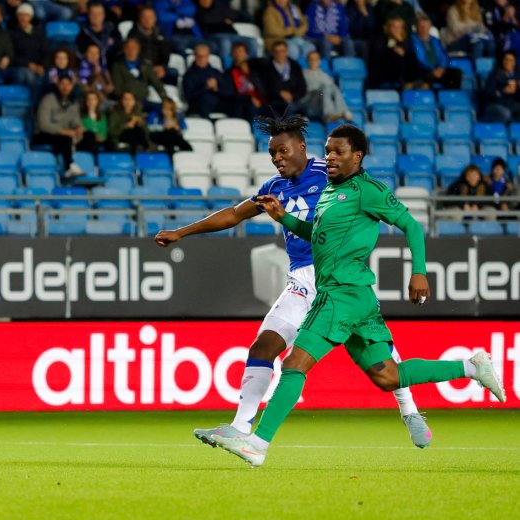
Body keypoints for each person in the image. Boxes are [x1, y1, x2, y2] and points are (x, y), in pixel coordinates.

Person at [211, 124, 508, 466]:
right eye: (328, 151)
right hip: (356, 300)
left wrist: (419, 272)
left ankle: (257, 444)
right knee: (387, 376)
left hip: (341, 295)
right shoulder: (330, 191)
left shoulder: (368, 190)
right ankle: (471, 366)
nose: (330, 157)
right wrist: (285, 219)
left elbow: (410, 225)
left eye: (338, 152)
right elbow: (316, 233)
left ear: (358, 156)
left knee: (294, 365)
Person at [154, 116, 435, 451]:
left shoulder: (331, 172)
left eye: (282, 151)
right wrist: (182, 232)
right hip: (300, 282)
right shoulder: (275, 187)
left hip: (339, 279)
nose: (277, 159)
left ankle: (410, 411)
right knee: (263, 347)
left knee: (382, 358)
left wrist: (417, 267)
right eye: (272, 154)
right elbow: (234, 214)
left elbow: (374, 205)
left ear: (302, 147)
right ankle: (239, 428)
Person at [33, 74, 85, 177]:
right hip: (44, 134)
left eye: (68, 84)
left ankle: (92, 168)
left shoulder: (74, 102)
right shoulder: (48, 99)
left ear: (72, 86)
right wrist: (65, 131)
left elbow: (75, 121)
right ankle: (69, 167)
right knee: (65, 139)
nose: (65, 87)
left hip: (66, 134)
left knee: (90, 137)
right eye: (62, 84)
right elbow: (43, 125)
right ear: (58, 85)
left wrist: (79, 127)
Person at [182, 42, 246, 119]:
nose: (202, 59)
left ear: (208, 57)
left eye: (205, 56)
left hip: (217, 103)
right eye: (199, 56)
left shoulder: (215, 72)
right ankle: (208, 127)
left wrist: (216, 89)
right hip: (198, 105)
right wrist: (205, 87)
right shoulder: (189, 74)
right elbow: (188, 96)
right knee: (205, 100)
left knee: (237, 103)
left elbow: (228, 91)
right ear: (195, 56)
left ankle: (237, 127)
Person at [368, 16, 423, 90]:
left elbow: (409, 54)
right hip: (385, 71)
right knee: (396, 57)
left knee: (411, 56)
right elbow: (378, 55)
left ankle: (414, 82)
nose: (396, 30)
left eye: (399, 27)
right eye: (394, 27)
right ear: (388, 28)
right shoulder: (381, 39)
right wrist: (393, 50)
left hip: (403, 72)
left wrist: (400, 42)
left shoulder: (407, 41)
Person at [111, 36, 167, 108]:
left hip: (143, 102)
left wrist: (165, 99)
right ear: (124, 50)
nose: (131, 51)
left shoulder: (145, 65)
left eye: (134, 48)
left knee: (164, 109)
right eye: (128, 48)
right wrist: (128, 100)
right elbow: (117, 88)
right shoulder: (118, 66)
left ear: (138, 50)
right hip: (125, 104)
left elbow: (157, 83)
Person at [411, 14, 463, 90]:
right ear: (416, 27)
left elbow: (444, 56)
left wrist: (441, 67)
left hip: (439, 70)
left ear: (430, 27)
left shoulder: (435, 41)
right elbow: (418, 58)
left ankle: (451, 97)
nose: (424, 29)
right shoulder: (413, 41)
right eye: (421, 26)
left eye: (426, 26)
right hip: (424, 71)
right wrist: (432, 70)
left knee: (456, 73)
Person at [301, 48, 352, 122]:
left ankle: (341, 112)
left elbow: (333, 91)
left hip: (322, 104)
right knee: (325, 88)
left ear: (319, 61)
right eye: (311, 59)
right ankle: (330, 114)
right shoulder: (303, 74)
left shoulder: (325, 76)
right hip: (310, 103)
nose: (313, 61)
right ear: (307, 61)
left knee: (333, 87)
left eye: (316, 59)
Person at [128, 6, 176, 84]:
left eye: (150, 17)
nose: (148, 20)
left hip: (158, 67)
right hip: (141, 68)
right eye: (145, 17)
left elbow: (166, 52)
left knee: (173, 73)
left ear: (155, 19)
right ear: (140, 19)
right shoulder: (133, 34)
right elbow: (132, 56)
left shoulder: (160, 33)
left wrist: (162, 67)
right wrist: (149, 69)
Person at [260, 40, 308, 116]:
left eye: (282, 51)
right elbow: (262, 88)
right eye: (277, 52)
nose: (280, 54)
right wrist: (279, 93)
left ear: (287, 52)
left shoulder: (295, 65)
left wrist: (292, 96)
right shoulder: (265, 66)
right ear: (272, 53)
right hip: (273, 102)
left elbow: (303, 87)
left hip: (293, 101)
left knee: (305, 109)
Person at [9, 2, 48, 88]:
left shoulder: (39, 32)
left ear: (31, 17)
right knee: (27, 75)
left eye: (26, 15)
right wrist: (29, 65)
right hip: (21, 66)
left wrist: (41, 65)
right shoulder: (12, 33)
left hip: (39, 66)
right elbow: (12, 55)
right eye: (20, 15)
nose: (23, 18)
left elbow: (45, 51)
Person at [225, 41, 266, 117]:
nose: (238, 54)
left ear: (246, 54)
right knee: (249, 108)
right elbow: (230, 94)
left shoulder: (255, 68)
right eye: (235, 51)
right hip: (244, 101)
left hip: (262, 99)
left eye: (240, 51)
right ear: (232, 54)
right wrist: (249, 98)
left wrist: (249, 72)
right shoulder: (229, 73)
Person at [484, 50, 520, 123]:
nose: (508, 62)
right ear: (502, 61)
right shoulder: (494, 74)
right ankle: (503, 133)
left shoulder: (517, 75)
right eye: (506, 59)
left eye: (511, 60)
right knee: (505, 113)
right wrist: (503, 91)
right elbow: (488, 93)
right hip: (495, 103)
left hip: (512, 103)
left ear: (514, 62)